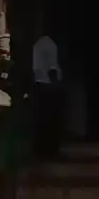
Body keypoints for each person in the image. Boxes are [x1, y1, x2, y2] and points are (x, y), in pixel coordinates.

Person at [31, 30, 64, 158]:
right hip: (47, 85)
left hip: (40, 84)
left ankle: (43, 150)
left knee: (42, 119)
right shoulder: (48, 44)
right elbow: (52, 69)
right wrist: (55, 87)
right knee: (50, 119)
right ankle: (50, 150)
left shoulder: (38, 44)